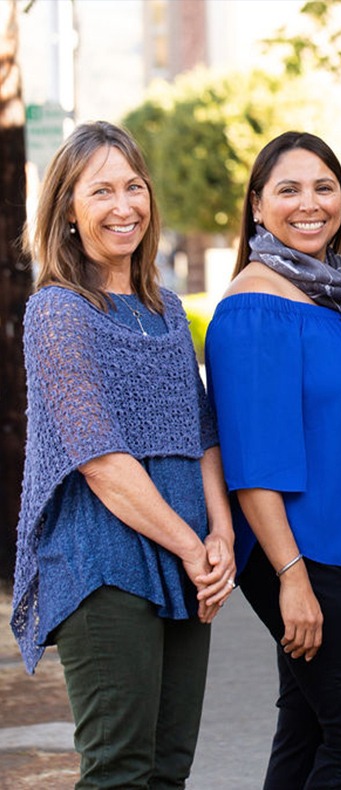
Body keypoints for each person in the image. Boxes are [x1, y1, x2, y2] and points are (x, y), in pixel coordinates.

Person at [11, 121, 235, 789]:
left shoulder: (164, 309)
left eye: (133, 186)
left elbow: (201, 433)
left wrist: (219, 534)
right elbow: (100, 460)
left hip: (187, 556)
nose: (123, 205)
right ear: (69, 212)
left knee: (168, 770)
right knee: (118, 770)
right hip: (101, 562)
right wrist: (192, 549)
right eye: (100, 190)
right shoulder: (58, 313)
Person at [203, 131, 341, 789]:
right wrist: (292, 578)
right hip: (301, 553)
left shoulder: (332, 297)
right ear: (257, 206)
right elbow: (253, 464)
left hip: (339, 548)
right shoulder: (256, 305)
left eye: (323, 186)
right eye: (288, 189)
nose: (309, 203)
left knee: (312, 726)